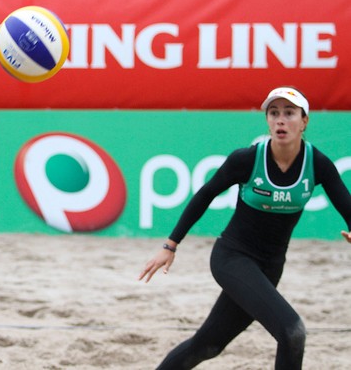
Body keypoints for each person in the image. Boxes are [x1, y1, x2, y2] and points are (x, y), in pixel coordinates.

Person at [139, 86, 351, 369]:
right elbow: (204, 195)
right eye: (273, 113)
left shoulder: (318, 164)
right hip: (232, 258)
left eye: (289, 113)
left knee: (208, 345)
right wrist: (170, 245)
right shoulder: (247, 159)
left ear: (304, 121)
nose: (280, 120)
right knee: (292, 332)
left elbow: (346, 206)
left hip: (270, 267)